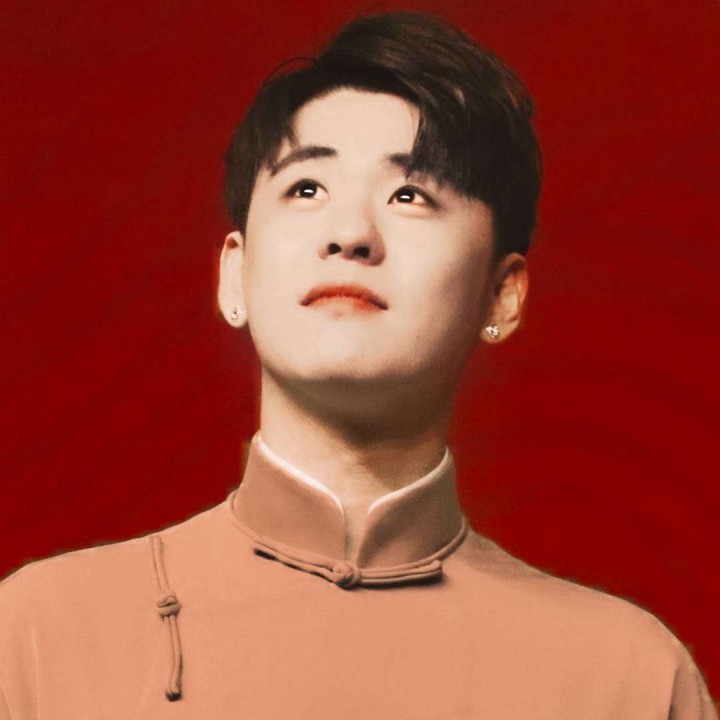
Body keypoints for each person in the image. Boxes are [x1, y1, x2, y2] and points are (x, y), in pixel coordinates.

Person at [0, 11, 715, 720]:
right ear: (234, 275)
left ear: (502, 293)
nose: (350, 235)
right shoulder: (37, 635)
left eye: (410, 195)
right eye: (306, 189)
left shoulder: (627, 678)